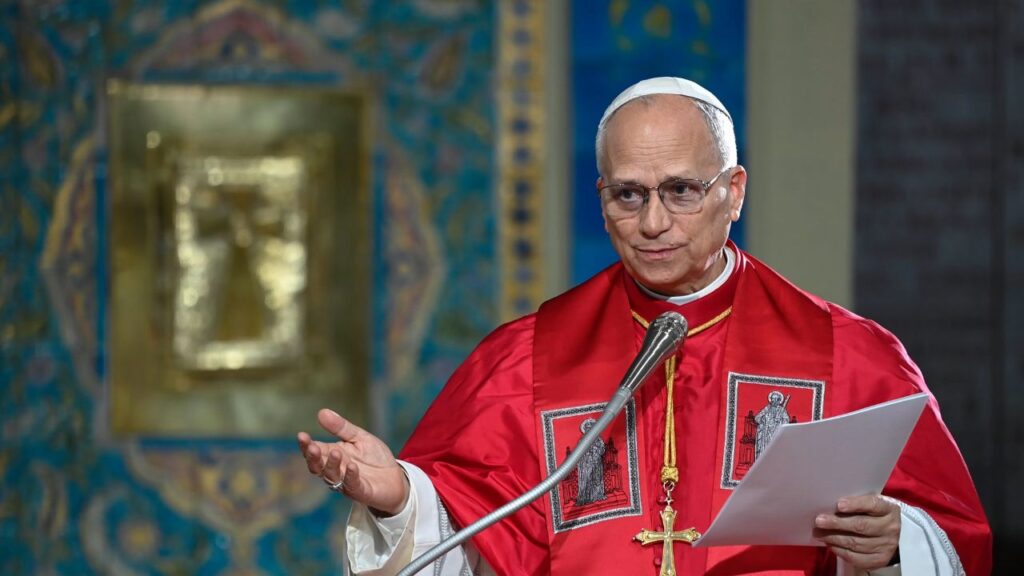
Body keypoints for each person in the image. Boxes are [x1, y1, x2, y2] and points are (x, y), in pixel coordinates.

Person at [297, 77, 992, 575]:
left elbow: (951, 534)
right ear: (602, 201)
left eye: (681, 191)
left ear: (734, 191)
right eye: (628, 194)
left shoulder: (849, 355)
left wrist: (898, 546)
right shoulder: (525, 361)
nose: (653, 222)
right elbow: (470, 540)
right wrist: (401, 501)